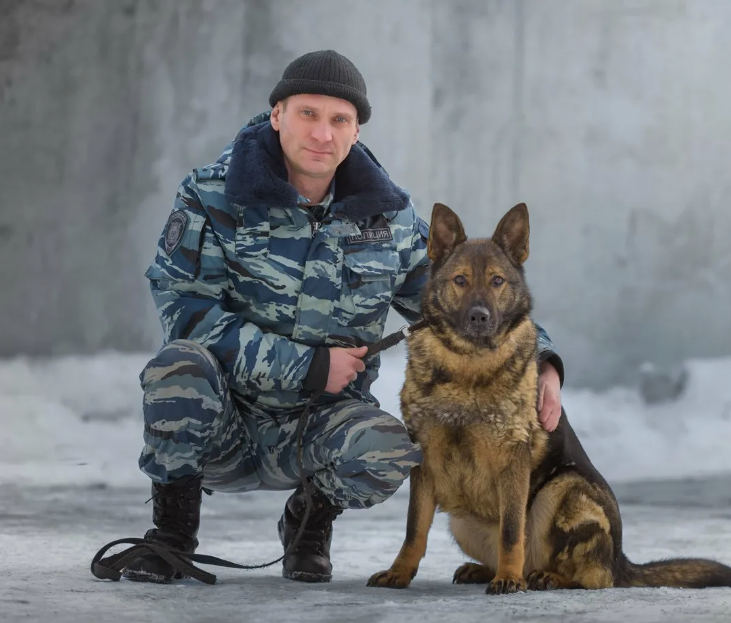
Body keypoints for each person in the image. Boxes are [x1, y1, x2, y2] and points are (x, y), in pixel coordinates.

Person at [124, 49, 565, 585]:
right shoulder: (211, 196)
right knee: (178, 369)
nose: (322, 134)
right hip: (224, 426)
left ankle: (308, 525)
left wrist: (541, 359)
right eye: (308, 114)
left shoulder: (388, 217)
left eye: (340, 120)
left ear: (356, 132)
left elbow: (457, 301)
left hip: (319, 430)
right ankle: (172, 539)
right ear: (277, 115)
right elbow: (184, 311)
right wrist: (308, 366)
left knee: (390, 450)